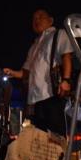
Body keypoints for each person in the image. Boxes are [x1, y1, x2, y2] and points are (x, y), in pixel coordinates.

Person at [4, 8, 73, 136]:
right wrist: (12, 73)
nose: (36, 20)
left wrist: (66, 80)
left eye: (40, 16)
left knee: (56, 136)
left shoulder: (58, 34)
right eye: (34, 18)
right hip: (35, 99)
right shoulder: (34, 46)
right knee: (40, 139)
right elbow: (26, 72)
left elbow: (67, 56)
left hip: (52, 93)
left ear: (50, 20)